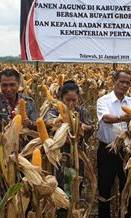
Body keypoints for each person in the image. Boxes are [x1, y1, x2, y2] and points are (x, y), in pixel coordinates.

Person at [44, 80, 93, 218]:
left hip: (78, 157)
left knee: (75, 187)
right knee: (60, 190)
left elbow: (91, 127)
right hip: (59, 158)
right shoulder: (54, 111)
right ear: (61, 98)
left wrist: (80, 126)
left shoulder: (82, 111)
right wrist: (60, 121)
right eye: (67, 100)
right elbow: (47, 122)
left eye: (74, 100)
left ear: (78, 98)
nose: (71, 104)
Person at [96, 70, 131, 217]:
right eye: (122, 82)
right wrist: (123, 118)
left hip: (126, 151)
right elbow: (106, 118)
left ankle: (126, 214)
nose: (125, 85)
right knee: (105, 188)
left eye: (128, 83)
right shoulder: (103, 101)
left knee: (127, 187)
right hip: (107, 150)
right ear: (114, 81)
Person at [0, 69, 38, 144]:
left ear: (19, 84)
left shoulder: (29, 102)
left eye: (12, 85)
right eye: (4, 85)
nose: (8, 89)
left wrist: (30, 124)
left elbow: (37, 126)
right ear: (0, 85)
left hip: (23, 150)